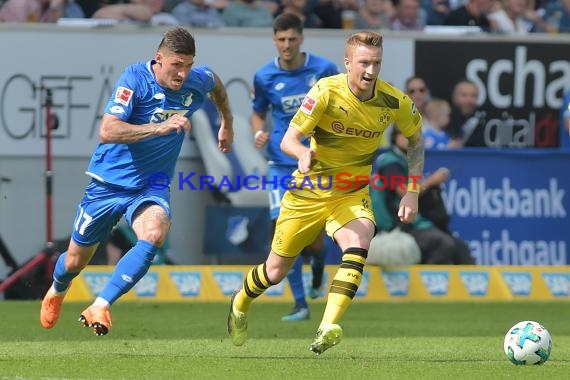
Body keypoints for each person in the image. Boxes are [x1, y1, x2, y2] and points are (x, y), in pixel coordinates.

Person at [228, 31, 424, 354]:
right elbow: (288, 139)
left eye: (376, 63)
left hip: (351, 193)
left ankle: (327, 326)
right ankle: (240, 301)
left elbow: (416, 139)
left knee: (359, 241)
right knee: (274, 271)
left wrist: (412, 191)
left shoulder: (395, 101)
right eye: (364, 63)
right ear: (348, 63)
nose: (371, 71)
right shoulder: (325, 91)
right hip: (308, 192)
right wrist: (302, 153)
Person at [40, 27, 234, 336]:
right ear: (159, 59)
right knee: (76, 261)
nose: (183, 73)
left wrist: (227, 122)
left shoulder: (197, 80)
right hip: (107, 184)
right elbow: (108, 131)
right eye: (176, 65)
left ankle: (101, 304)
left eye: (188, 64)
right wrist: (157, 128)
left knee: (155, 233)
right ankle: (58, 289)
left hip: (151, 186)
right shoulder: (135, 80)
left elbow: (217, 85)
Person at [251, 13, 338, 321]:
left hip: (314, 162)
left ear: (301, 38)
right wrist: (258, 131)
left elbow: (340, 105)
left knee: (313, 239)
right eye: (281, 39)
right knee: (283, 230)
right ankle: (300, 304)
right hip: (280, 163)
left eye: (291, 39)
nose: (286, 45)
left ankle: (318, 268)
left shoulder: (324, 69)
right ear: (274, 40)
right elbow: (258, 112)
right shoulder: (264, 76)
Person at [372, 127, 475, 264]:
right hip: (398, 225)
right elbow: (403, 192)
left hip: (417, 222)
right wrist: (432, 180)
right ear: (395, 137)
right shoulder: (390, 161)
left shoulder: (408, 162)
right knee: (443, 244)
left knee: (460, 248)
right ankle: (425, 284)